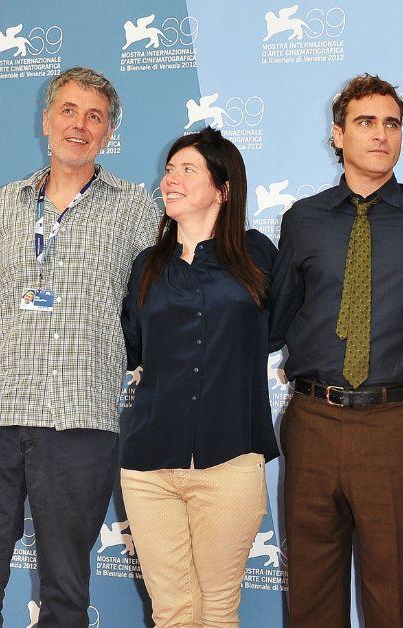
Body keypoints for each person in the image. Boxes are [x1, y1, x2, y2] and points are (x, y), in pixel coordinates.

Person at [0, 67, 158, 627]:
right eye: (68, 110)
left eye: (95, 116)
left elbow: (163, 298)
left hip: (80, 421)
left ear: (109, 132)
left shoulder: (136, 208)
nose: (80, 125)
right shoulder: (4, 204)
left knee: (66, 588)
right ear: (46, 120)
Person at [268, 73, 403, 627]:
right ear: (338, 135)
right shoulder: (302, 220)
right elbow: (275, 322)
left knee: (391, 602)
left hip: (397, 428)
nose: (380, 134)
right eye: (365, 122)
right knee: (310, 601)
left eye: (392, 123)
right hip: (312, 422)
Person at [118, 127, 277, 627]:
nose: (171, 179)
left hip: (230, 462)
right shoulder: (147, 265)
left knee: (217, 609)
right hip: (148, 466)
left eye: (188, 169)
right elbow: (134, 349)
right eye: (169, 169)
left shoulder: (257, 256)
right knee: (172, 612)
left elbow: (279, 330)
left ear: (223, 189)